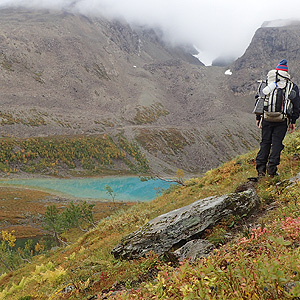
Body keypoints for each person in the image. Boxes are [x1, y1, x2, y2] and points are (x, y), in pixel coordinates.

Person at [255, 59, 300, 177]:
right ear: (286, 73)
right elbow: (296, 105)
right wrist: (293, 121)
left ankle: (260, 170)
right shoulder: (291, 86)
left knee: (265, 143)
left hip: (266, 118)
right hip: (282, 120)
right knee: (277, 144)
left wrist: (258, 117)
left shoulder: (266, 83)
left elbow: (259, 99)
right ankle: (272, 171)